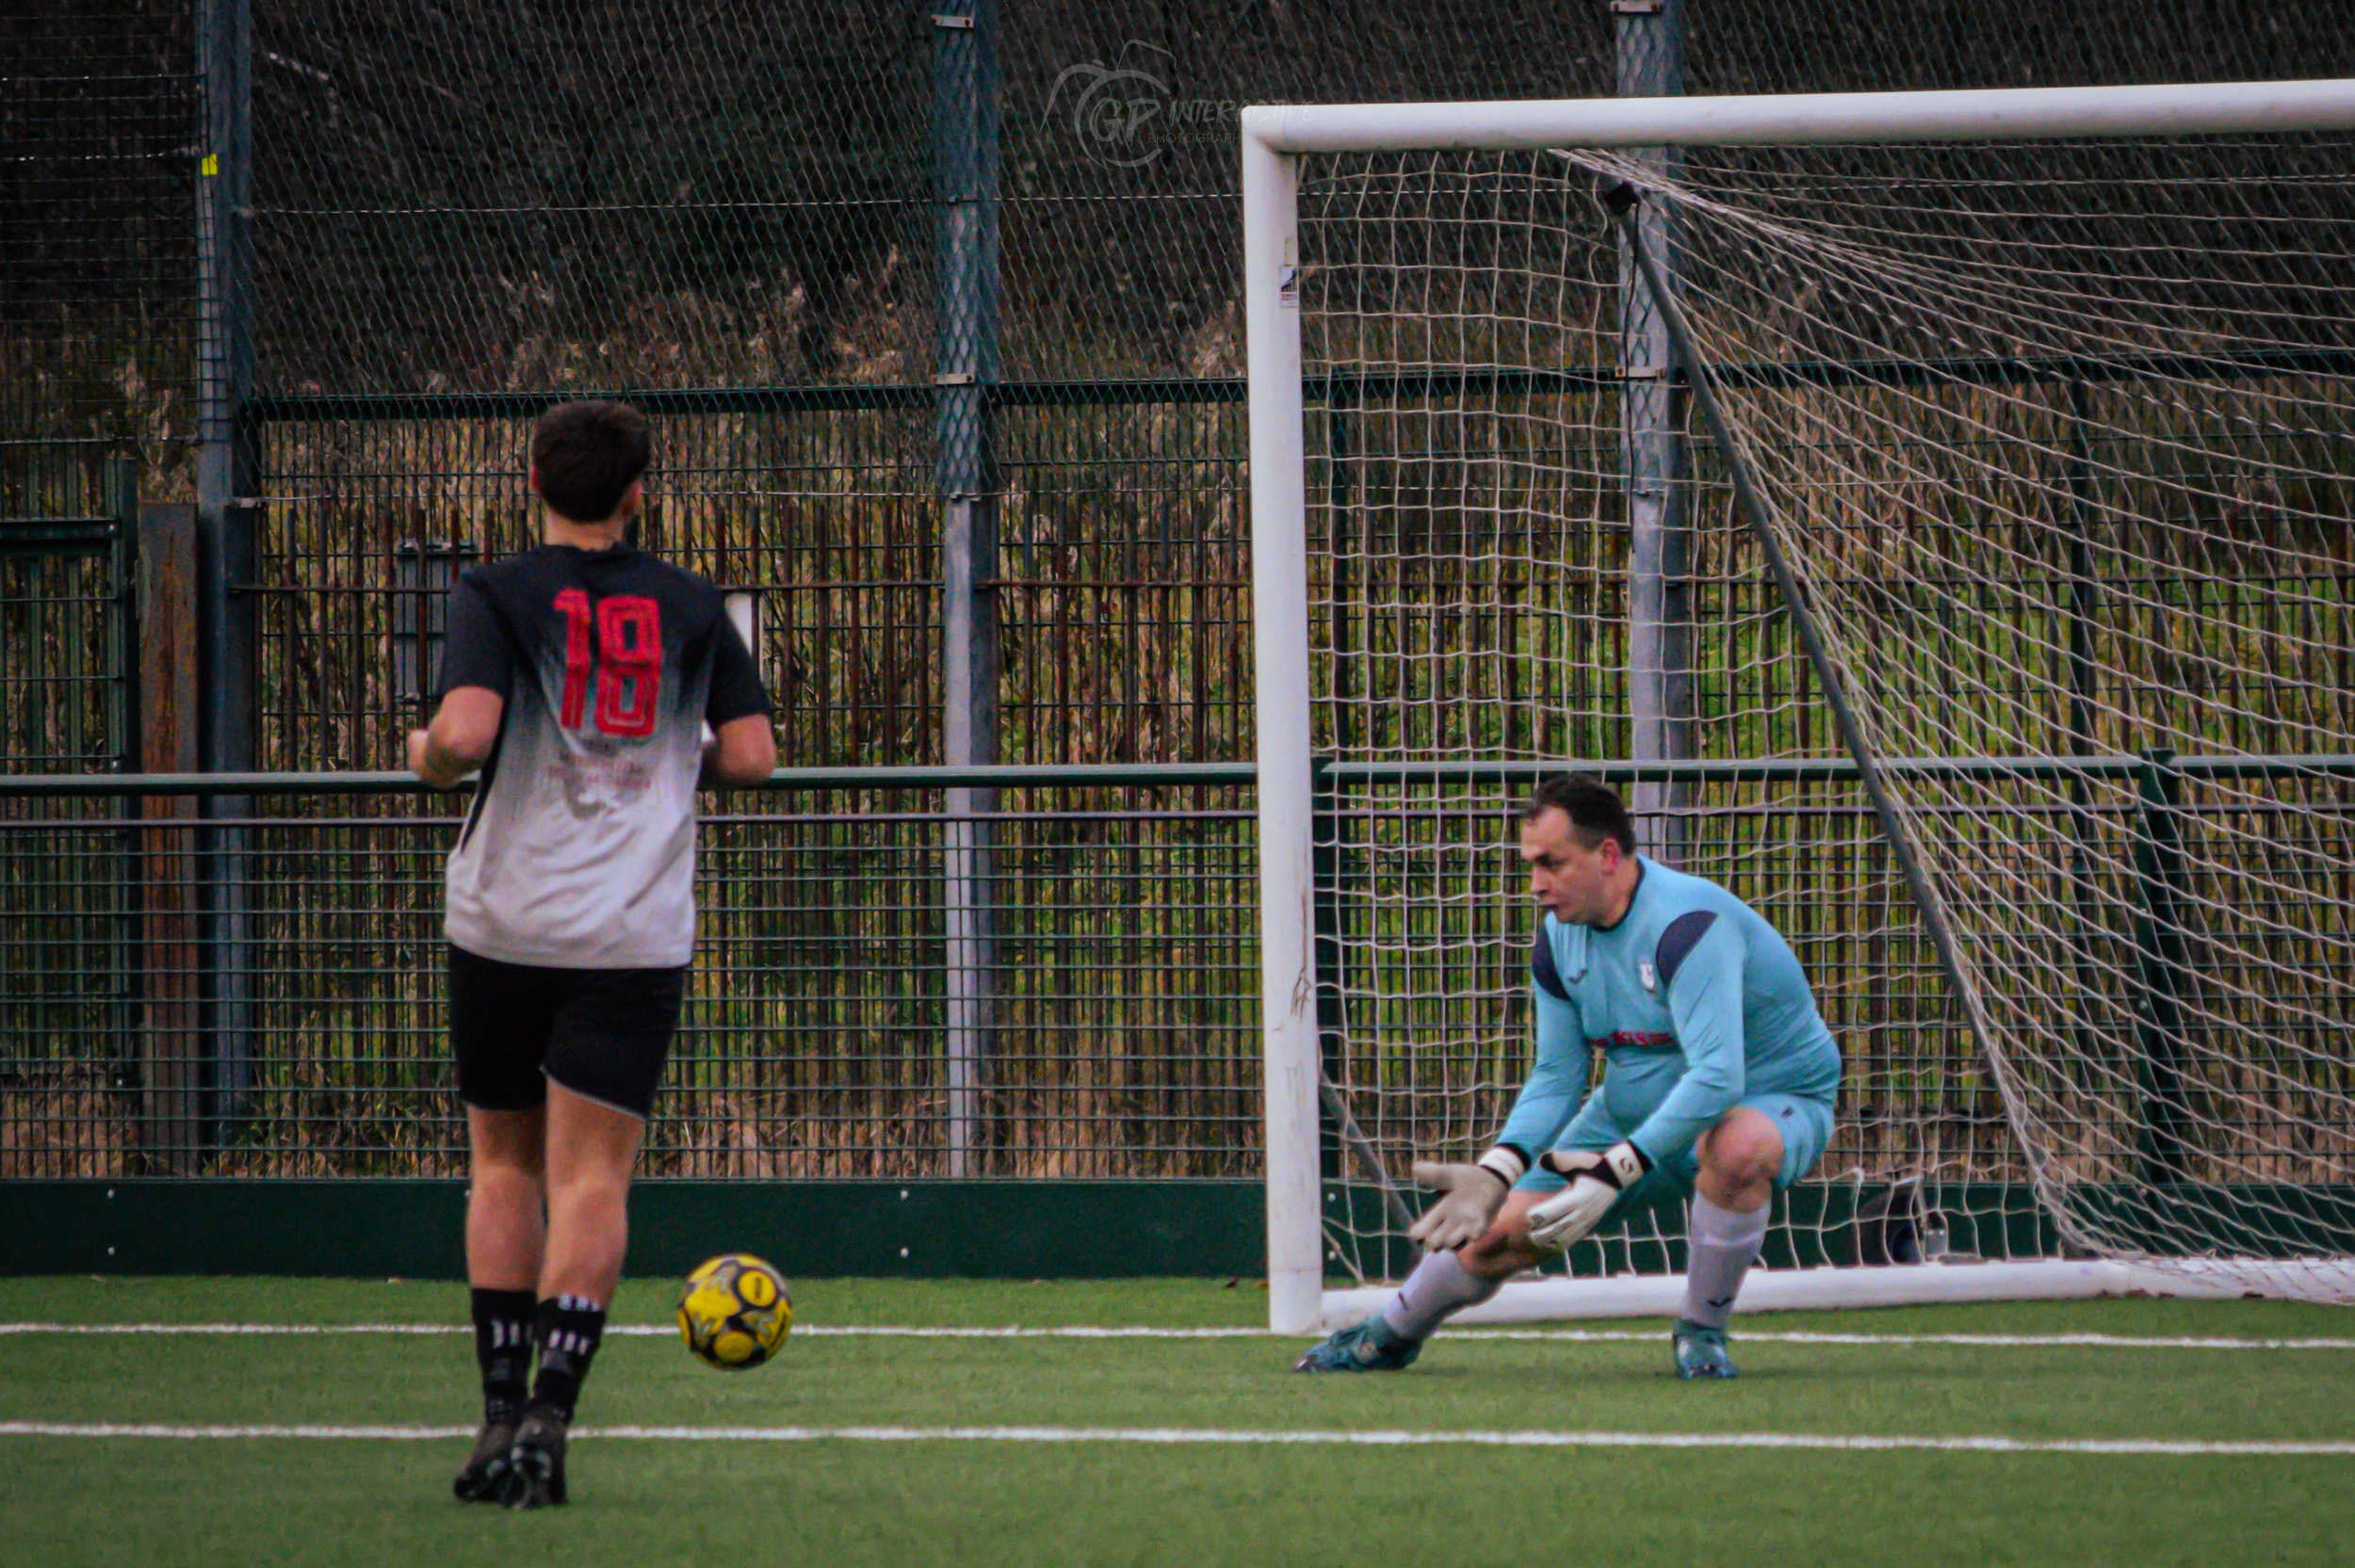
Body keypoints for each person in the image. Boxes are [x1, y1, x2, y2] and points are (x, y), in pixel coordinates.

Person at [407, 398, 774, 1507]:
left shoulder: (494, 592)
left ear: (532, 481)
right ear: (638, 493)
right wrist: (663, 767)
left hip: (504, 921)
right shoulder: (692, 602)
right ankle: (551, 1422)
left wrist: (422, 755)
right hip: (631, 930)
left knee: (506, 1167)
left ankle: (495, 1413)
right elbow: (753, 757)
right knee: (592, 1178)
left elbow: (465, 737)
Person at [1294, 773, 1842, 1379]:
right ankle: (1384, 1337)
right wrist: (1497, 1168)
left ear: (1607, 855)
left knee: (1739, 1147)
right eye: (1530, 864)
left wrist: (1616, 1170)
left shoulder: (1688, 924)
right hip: (1635, 1113)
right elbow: (1557, 1074)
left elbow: (1717, 1079)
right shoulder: (1558, 935)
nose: (1536, 885)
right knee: (1499, 1235)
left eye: (1551, 863)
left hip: (1770, 1098)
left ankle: (1702, 1335)